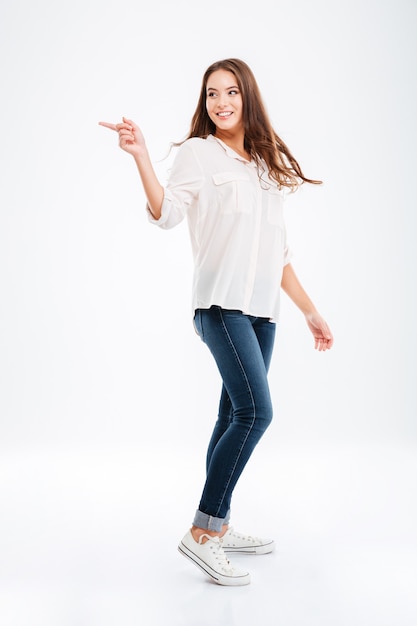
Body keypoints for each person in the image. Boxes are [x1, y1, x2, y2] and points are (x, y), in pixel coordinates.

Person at [99, 57, 333, 587]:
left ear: (248, 97)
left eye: (230, 92)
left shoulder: (265, 164)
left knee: (233, 417)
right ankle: (202, 533)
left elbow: (279, 253)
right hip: (220, 308)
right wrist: (140, 157)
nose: (221, 102)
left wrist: (310, 310)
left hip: (261, 314)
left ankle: (218, 525)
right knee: (256, 413)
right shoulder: (198, 155)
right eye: (211, 94)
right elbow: (167, 214)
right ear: (203, 103)